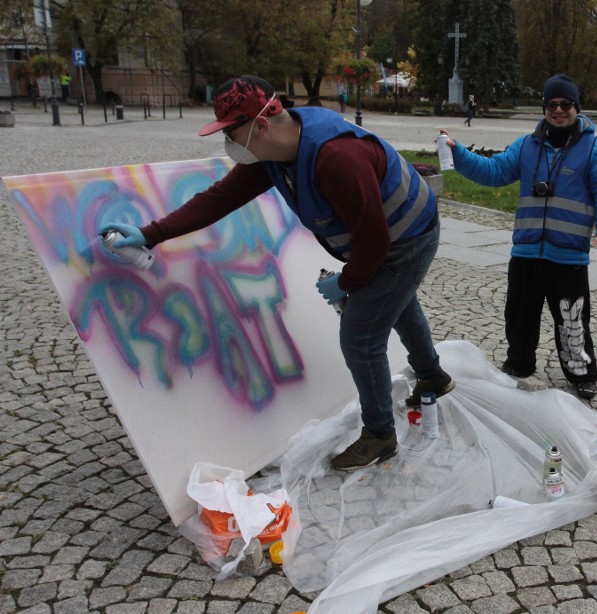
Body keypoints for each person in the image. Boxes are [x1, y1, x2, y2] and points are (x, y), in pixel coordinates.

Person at [99, 75, 454, 471]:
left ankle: (380, 435)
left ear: (261, 124)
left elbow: (374, 245)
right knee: (398, 305)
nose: (229, 142)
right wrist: (150, 234)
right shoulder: (271, 153)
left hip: (407, 238)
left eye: (231, 132)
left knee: (360, 336)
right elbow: (219, 199)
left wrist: (346, 282)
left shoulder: (336, 159)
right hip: (385, 236)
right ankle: (433, 377)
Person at [440, 74, 597, 400]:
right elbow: (493, 171)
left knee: (572, 319)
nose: (559, 110)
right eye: (552, 104)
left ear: (576, 107)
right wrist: (459, 152)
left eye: (566, 104)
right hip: (526, 252)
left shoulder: (595, 149)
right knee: (519, 315)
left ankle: (581, 373)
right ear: (544, 108)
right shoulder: (527, 145)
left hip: (568, 255)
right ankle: (519, 363)